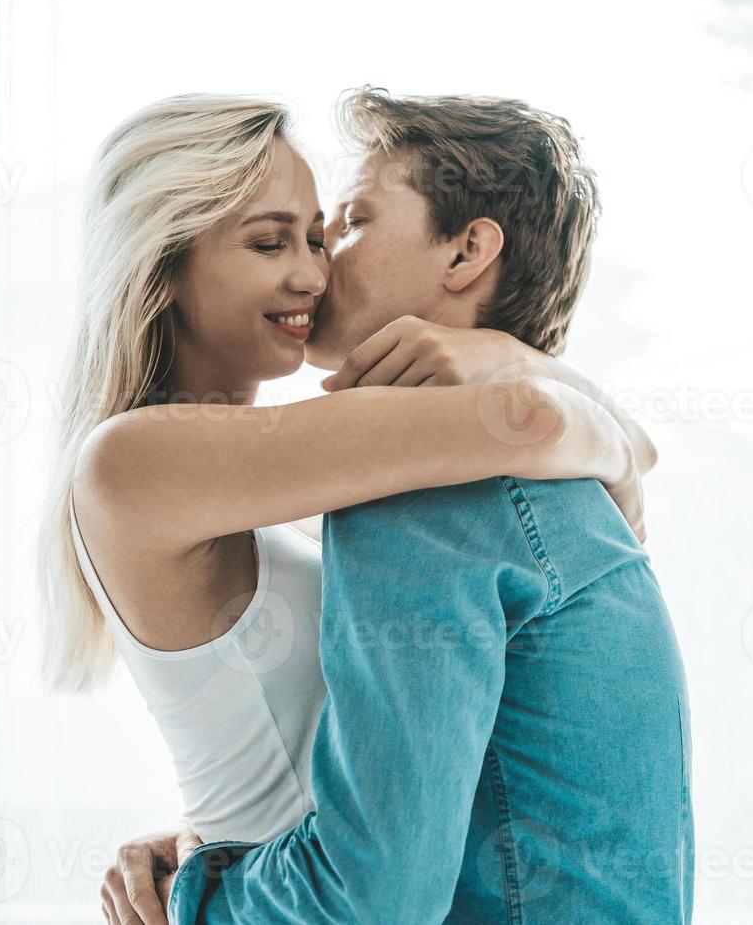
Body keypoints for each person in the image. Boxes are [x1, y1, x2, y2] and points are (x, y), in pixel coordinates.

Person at [39, 90, 689, 924]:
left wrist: (212, 859)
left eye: (324, 233)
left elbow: (330, 764)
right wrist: (566, 408)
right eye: (274, 241)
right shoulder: (133, 459)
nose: (316, 271)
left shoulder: (310, 490)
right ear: (163, 262)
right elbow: (531, 422)